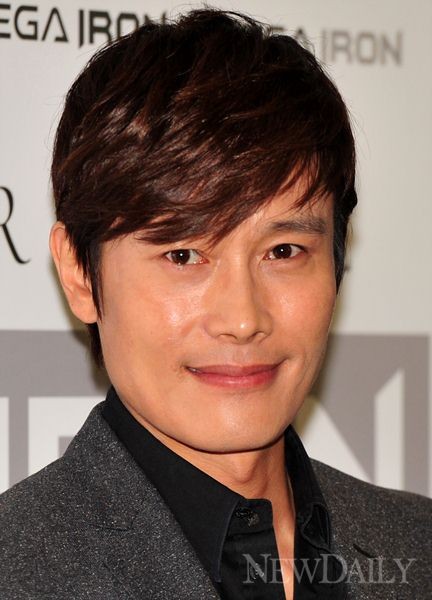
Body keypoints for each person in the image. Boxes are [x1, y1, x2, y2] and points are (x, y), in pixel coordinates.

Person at [0, 8, 430, 600]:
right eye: (183, 255)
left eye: (283, 251)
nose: (243, 319)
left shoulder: (417, 546)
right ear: (79, 273)